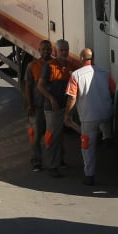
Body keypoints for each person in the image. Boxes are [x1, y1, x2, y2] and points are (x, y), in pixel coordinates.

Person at [64, 48, 115, 186]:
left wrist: (67, 114)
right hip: (106, 113)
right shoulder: (105, 73)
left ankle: (89, 175)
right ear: (93, 58)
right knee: (105, 125)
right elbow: (113, 91)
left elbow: (72, 98)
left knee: (87, 147)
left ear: (81, 58)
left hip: (89, 117)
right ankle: (106, 137)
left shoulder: (76, 75)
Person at [38, 39, 73, 177]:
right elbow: (40, 86)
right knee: (52, 136)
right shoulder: (49, 66)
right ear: (56, 51)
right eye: (62, 50)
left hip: (65, 107)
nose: (64, 52)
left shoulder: (70, 66)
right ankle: (52, 166)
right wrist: (51, 98)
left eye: (66, 50)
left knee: (60, 136)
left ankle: (59, 161)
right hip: (53, 108)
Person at [21, 40, 53, 172]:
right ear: (39, 50)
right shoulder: (32, 66)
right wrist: (29, 104)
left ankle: (57, 161)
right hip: (38, 106)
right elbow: (27, 86)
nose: (46, 51)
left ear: (52, 51)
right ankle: (36, 162)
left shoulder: (55, 65)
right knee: (36, 135)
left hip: (52, 108)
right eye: (43, 49)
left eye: (48, 49)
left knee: (53, 136)